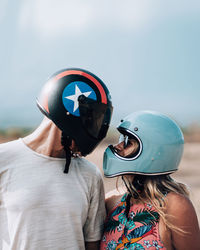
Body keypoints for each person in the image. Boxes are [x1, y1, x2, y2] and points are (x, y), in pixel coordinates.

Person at [0, 68, 113, 250]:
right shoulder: (4, 159)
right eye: (91, 118)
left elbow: (92, 244)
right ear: (68, 110)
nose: (96, 128)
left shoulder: (90, 175)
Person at [100, 110, 200, 250]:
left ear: (152, 150)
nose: (117, 147)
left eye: (128, 142)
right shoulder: (111, 201)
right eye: (121, 140)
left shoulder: (175, 206)